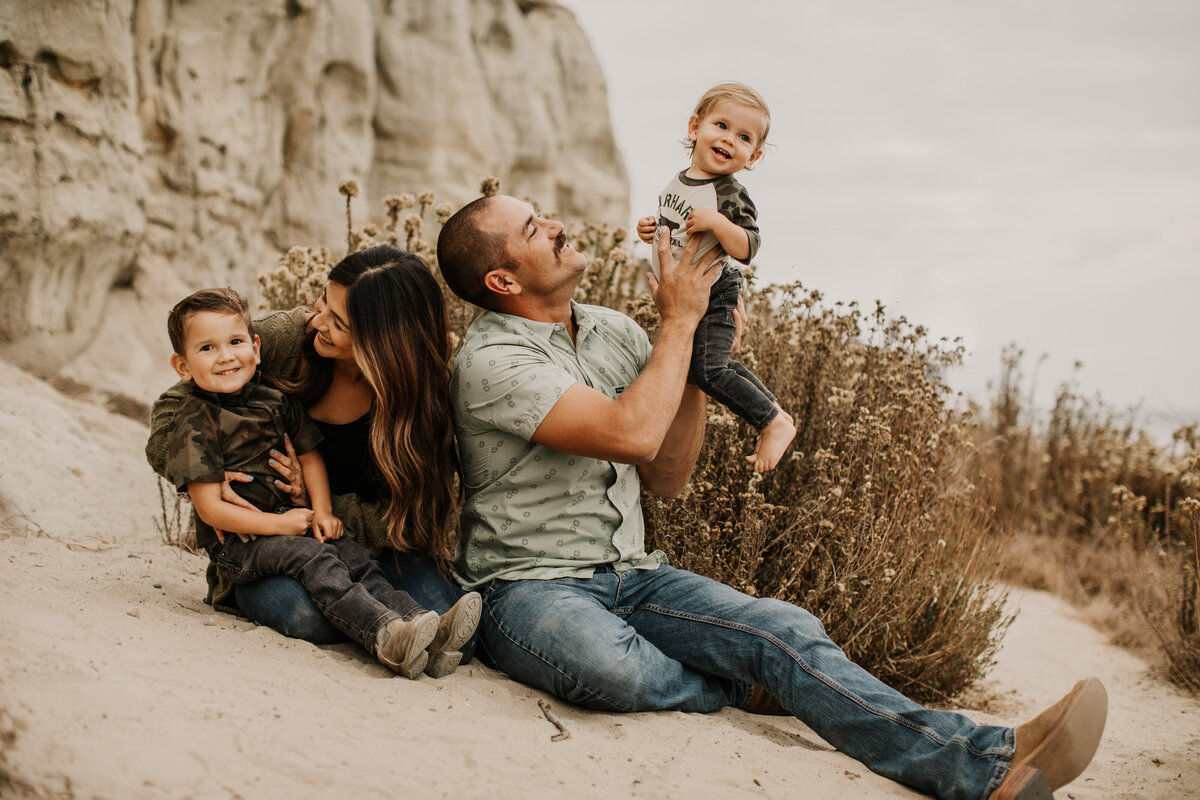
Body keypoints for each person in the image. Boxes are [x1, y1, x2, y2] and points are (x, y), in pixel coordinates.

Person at [435, 194, 1108, 800]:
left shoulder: (614, 332)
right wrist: (677, 325)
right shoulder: (492, 361)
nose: (554, 222)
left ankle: (988, 762)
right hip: (526, 588)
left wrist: (696, 355)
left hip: (632, 575)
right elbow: (631, 435)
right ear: (504, 280)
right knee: (604, 667)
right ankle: (743, 681)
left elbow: (667, 475)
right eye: (533, 227)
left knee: (784, 628)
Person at [147, 246, 479, 677]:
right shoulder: (288, 338)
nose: (317, 321)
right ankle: (386, 631)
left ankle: (405, 627)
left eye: (339, 323)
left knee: (462, 642)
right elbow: (172, 415)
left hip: (362, 542)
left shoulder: (424, 403)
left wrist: (315, 506)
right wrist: (208, 474)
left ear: (384, 343)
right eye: (324, 302)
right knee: (302, 613)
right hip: (266, 539)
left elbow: (408, 520)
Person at [636, 81, 795, 472]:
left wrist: (720, 224)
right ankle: (775, 413)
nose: (729, 140)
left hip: (713, 288)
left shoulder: (728, 193)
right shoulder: (680, 180)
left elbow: (748, 246)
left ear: (752, 156)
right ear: (695, 128)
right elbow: (674, 224)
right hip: (687, 289)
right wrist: (651, 228)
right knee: (706, 366)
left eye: (743, 137)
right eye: (720, 126)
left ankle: (771, 421)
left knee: (707, 370)